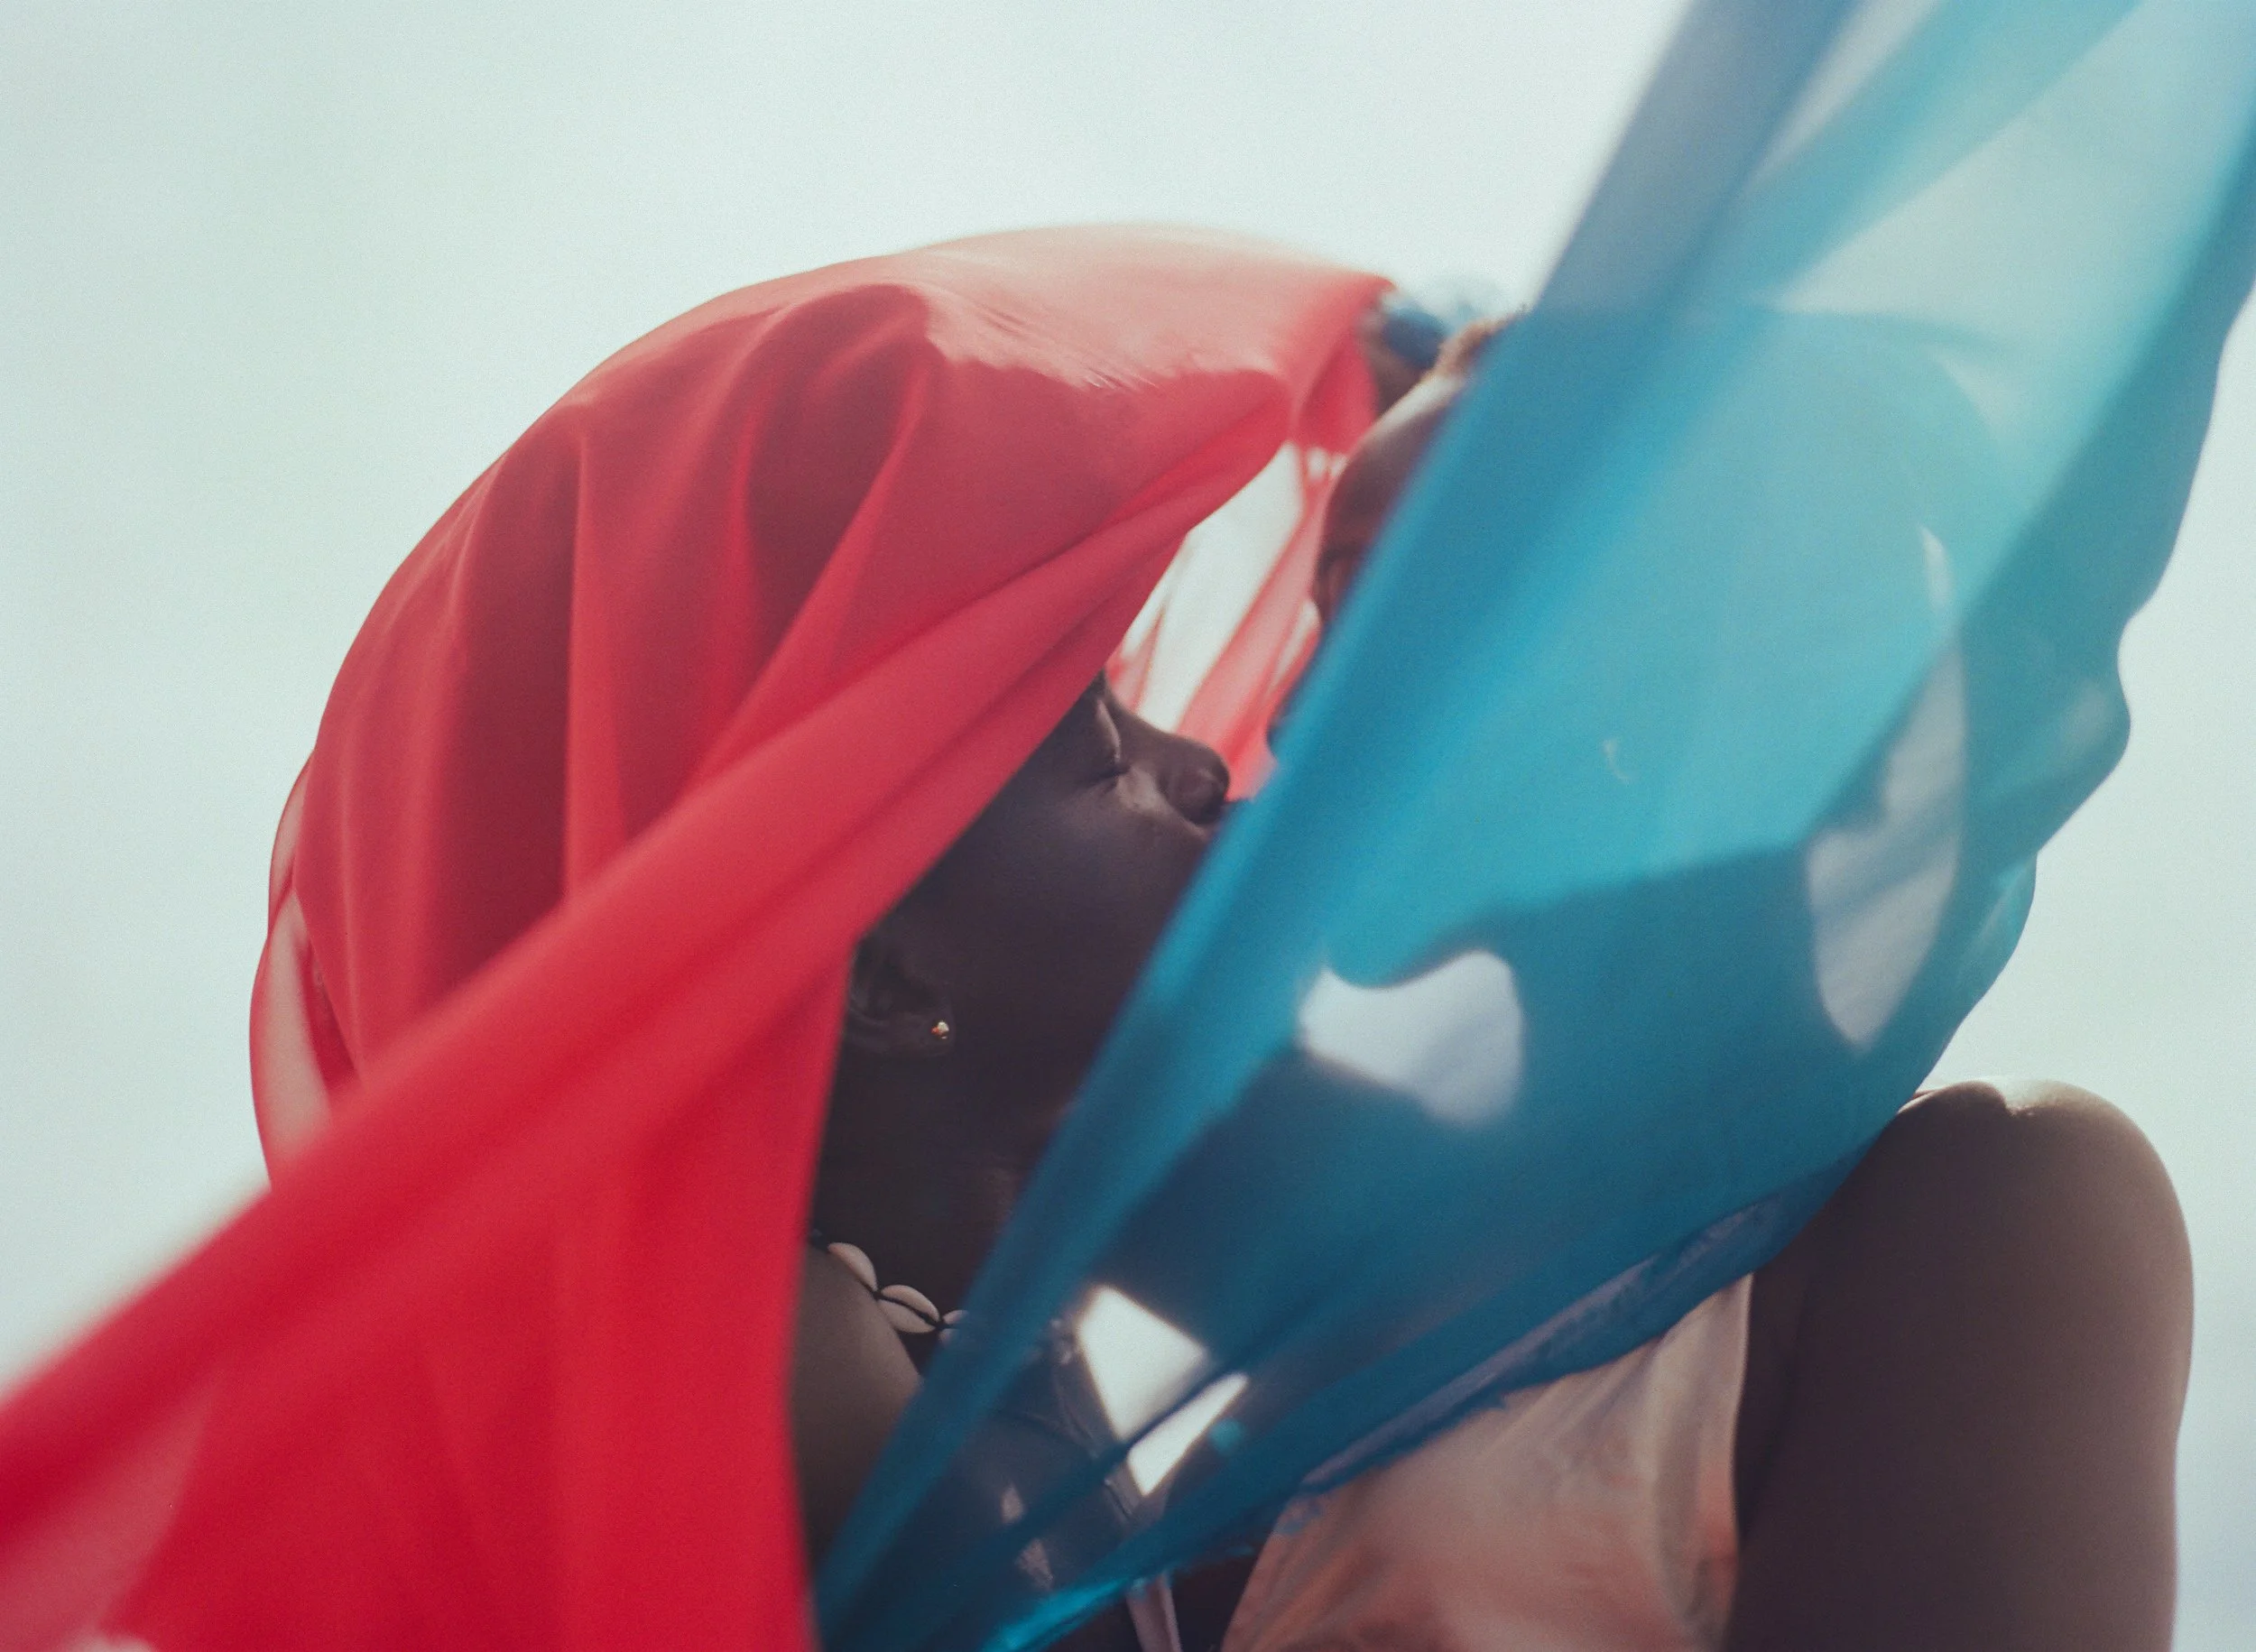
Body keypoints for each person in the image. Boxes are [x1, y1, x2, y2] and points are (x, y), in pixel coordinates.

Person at [793, 321, 2196, 1652]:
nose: (1282, 716)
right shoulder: (1350, 1209)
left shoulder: (1992, 1200)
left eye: (1375, 601)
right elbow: (911, 986)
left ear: (1649, 678)